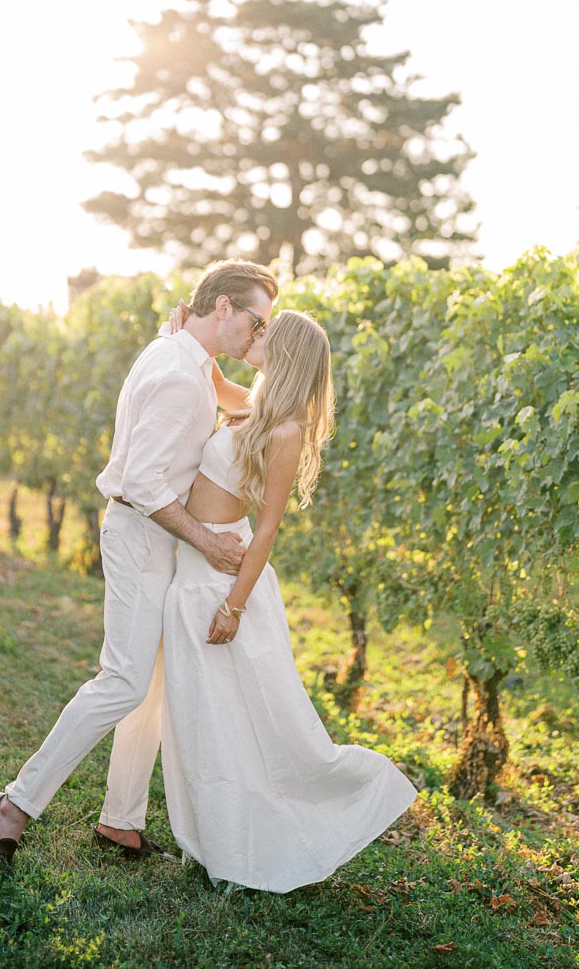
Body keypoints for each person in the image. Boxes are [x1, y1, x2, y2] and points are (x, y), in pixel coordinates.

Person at [0, 259, 279, 874]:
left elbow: (231, 395)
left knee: (154, 681)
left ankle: (121, 823)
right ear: (222, 307)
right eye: (255, 320)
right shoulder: (174, 371)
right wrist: (208, 542)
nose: (259, 334)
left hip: (157, 538)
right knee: (123, 681)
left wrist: (284, 384)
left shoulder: (187, 359)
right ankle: (11, 807)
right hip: (143, 536)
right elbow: (141, 481)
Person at [161, 310, 418, 893]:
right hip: (193, 572)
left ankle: (314, 811)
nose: (254, 340)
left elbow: (270, 527)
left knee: (257, 723)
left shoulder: (285, 431)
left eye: (264, 337)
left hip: (225, 585)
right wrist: (178, 339)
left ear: (288, 354)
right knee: (202, 718)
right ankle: (215, 838)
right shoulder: (257, 405)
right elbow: (213, 383)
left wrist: (233, 606)